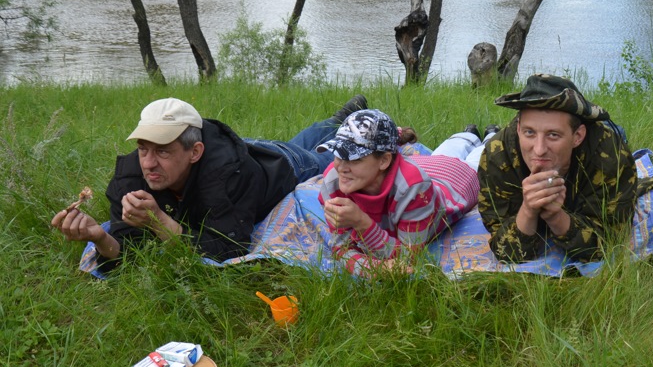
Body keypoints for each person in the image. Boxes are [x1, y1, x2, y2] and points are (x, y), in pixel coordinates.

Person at [51, 95, 367, 273]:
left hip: (282, 167)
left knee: (325, 158)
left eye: (163, 151)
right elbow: (125, 248)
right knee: (294, 142)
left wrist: (159, 221)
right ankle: (337, 118)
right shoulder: (131, 177)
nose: (148, 163)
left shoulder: (226, 176)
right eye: (143, 148)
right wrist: (99, 236)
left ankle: (347, 124)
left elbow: (226, 250)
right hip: (243, 150)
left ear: (194, 152)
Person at [475, 73, 640, 263]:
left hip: (594, 142)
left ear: (577, 136)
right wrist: (528, 210)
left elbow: (610, 241)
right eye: (529, 133)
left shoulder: (610, 156)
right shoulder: (498, 154)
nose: (539, 150)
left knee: (618, 133)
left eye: (553, 135)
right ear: (518, 128)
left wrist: (556, 217)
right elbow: (504, 249)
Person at [316, 109, 480, 275]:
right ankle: (469, 132)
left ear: (384, 160)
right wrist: (373, 269)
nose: (342, 168)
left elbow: (407, 258)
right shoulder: (333, 181)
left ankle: (484, 136)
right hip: (423, 165)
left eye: (354, 158)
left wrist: (361, 222)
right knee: (441, 153)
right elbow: (341, 248)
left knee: (481, 159)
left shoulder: (415, 189)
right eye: (338, 154)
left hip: (457, 179)